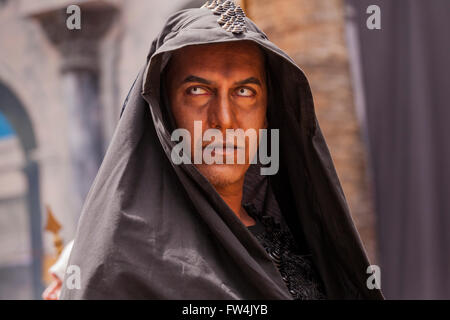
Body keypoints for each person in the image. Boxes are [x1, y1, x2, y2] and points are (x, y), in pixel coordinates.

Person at [60, 0, 383, 299]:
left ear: (267, 113)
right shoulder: (124, 259)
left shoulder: (296, 239)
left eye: (244, 91)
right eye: (198, 91)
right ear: (164, 112)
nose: (225, 120)